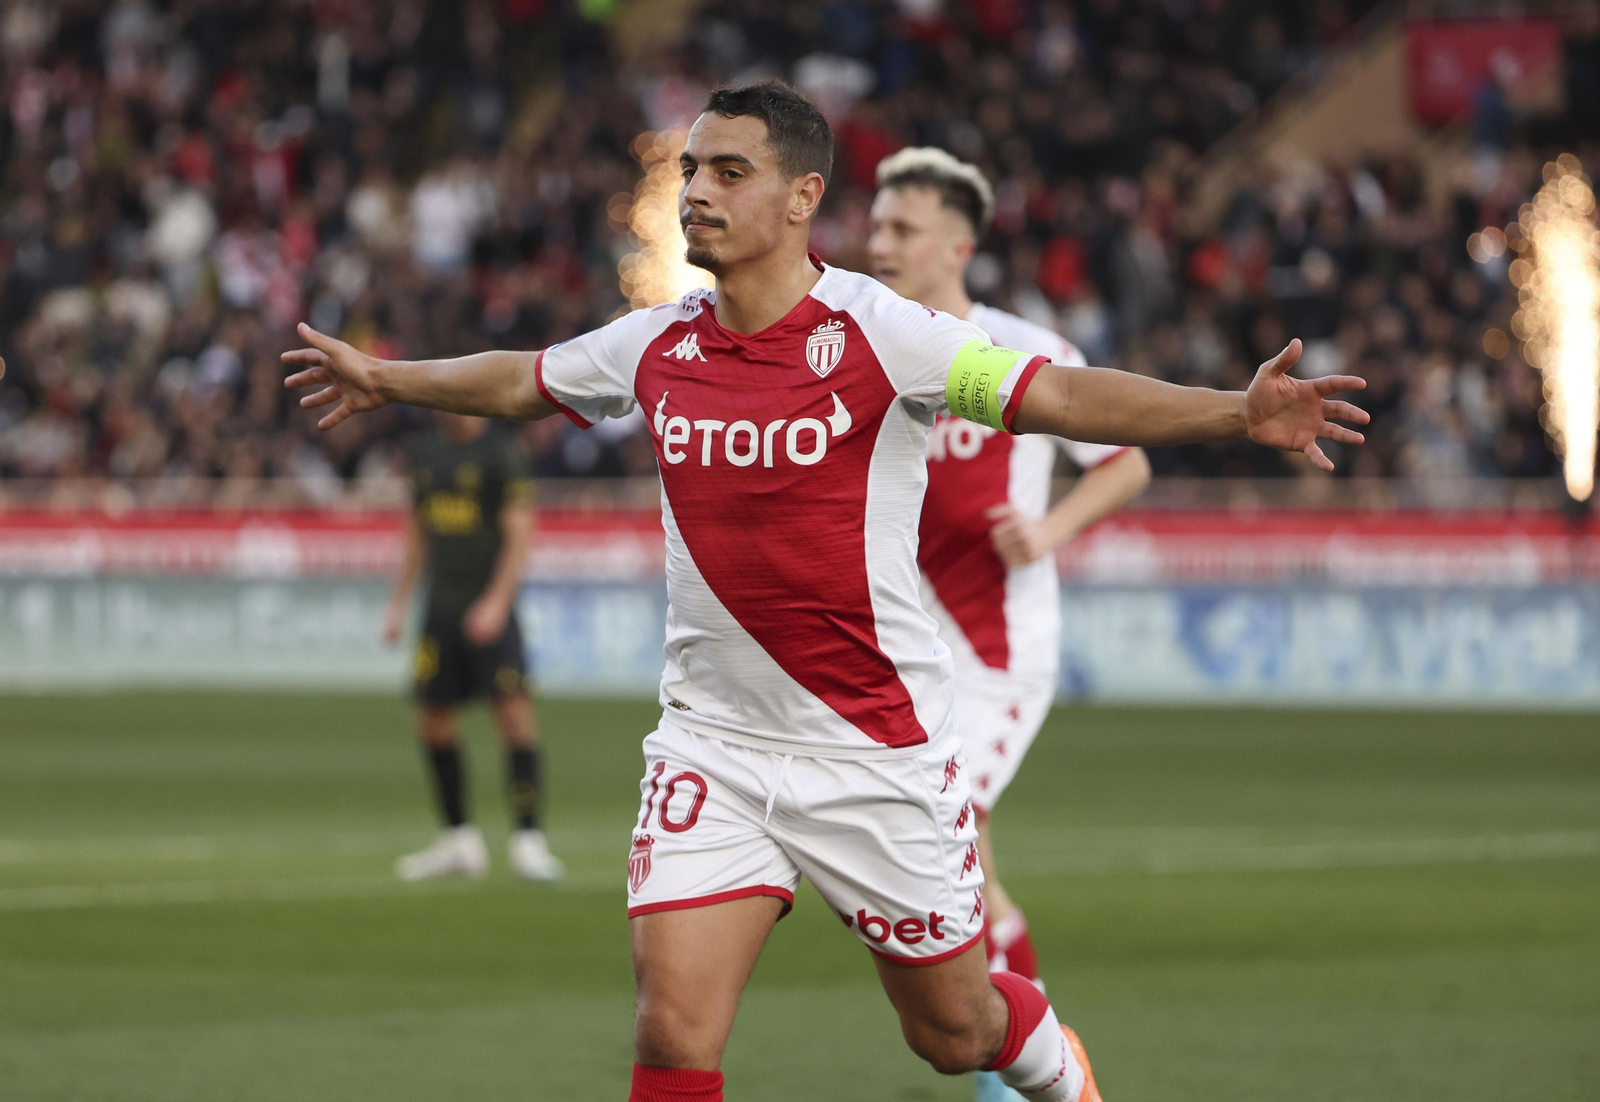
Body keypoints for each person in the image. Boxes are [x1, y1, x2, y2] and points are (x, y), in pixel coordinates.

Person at [284, 79, 1367, 1102]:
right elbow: (525, 378)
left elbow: (1058, 395)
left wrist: (1235, 410)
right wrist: (386, 379)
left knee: (951, 1032)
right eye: (692, 171)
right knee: (673, 1031)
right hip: (714, 743)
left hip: (872, 751)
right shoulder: (657, 340)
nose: (698, 191)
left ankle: (1057, 1070)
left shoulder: (883, 334)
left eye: (730, 171)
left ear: (804, 197)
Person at [867, 146, 1153, 1102]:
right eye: (876, 225)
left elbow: (1126, 460)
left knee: (956, 824)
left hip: (995, 657)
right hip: (904, 660)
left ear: (960, 242)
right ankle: (1034, 1050)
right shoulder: (869, 348)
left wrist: (1049, 528)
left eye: (901, 228)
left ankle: (1015, 1074)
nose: (880, 242)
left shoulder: (1017, 348)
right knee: (964, 868)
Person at [381, 410, 564, 882]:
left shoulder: (501, 453)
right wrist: (399, 604)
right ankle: (459, 840)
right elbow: (419, 532)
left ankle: (528, 842)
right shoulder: (426, 454)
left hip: (488, 610)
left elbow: (519, 533)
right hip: (440, 609)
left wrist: (498, 603)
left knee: (514, 717)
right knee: (433, 721)